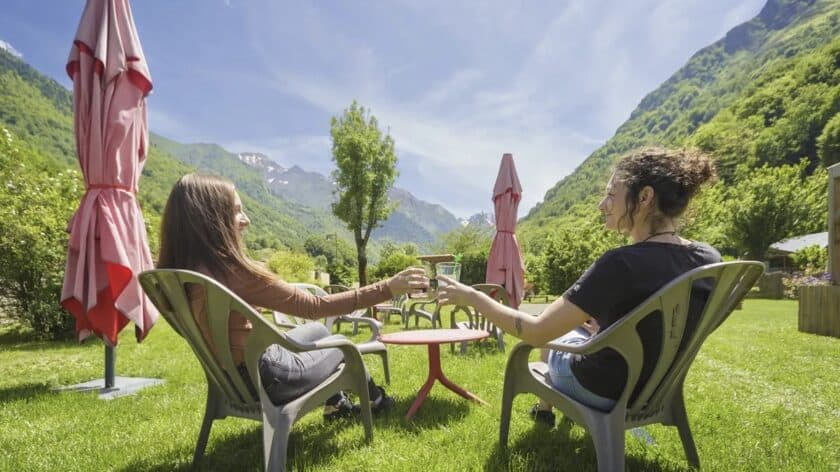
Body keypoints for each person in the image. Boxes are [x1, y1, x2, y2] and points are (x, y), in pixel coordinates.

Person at [436, 147, 721, 425]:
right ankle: (545, 409)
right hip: (659, 388)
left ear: (645, 197)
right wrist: (613, 331)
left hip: (602, 387)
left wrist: (472, 296)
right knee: (580, 325)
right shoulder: (709, 259)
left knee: (557, 334)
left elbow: (536, 333)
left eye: (611, 195)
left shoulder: (620, 263)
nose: (602, 205)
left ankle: (543, 410)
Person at [157, 173, 428, 420]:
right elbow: (314, 305)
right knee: (340, 344)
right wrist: (388, 288)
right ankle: (378, 401)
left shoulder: (178, 276)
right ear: (211, 218)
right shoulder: (233, 271)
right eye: (237, 211)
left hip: (228, 379)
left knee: (316, 331)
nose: (247, 220)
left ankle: (336, 405)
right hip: (268, 379)